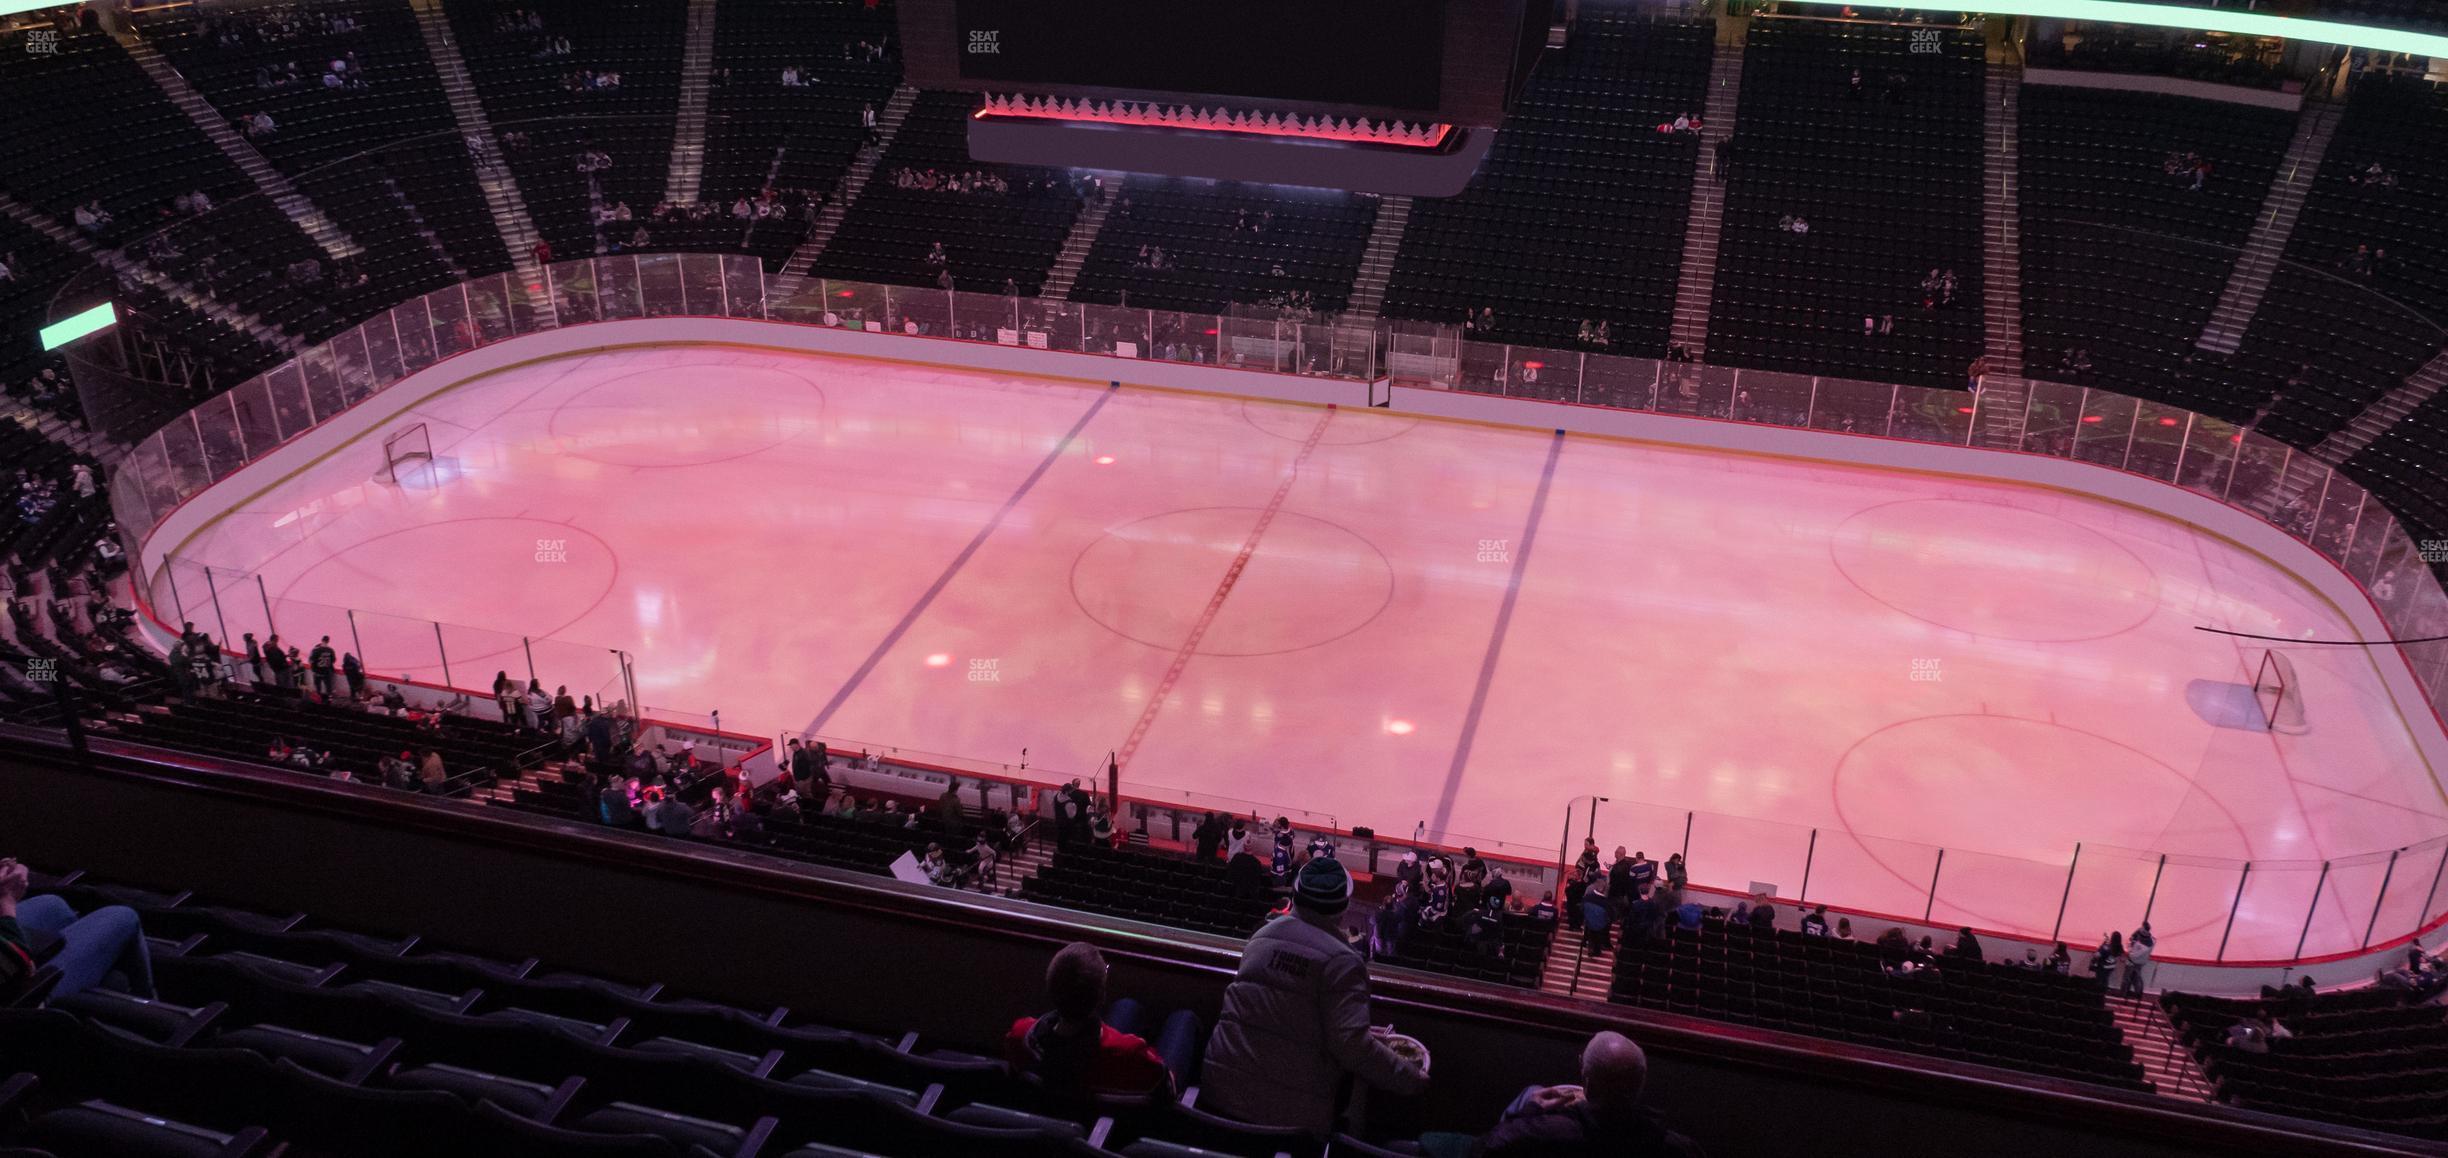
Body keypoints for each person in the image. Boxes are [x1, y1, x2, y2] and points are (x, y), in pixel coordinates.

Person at [1203, 856, 1428, 1133]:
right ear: (1343, 908)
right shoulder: (1343, 962)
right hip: (1285, 1122)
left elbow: (1288, 1015)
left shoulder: (1260, 938)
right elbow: (1352, 1048)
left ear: (1295, 897)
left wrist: (1366, 1034)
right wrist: (1410, 1078)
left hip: (1215, 1096)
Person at [1006, 942, 1198, 1099]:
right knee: (1184, 1019)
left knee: (1127, 1006)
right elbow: (1167, 1087)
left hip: (1062, 1100)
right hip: (1102, 1123)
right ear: (1101, 997)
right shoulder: (1129, 1053)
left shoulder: (1020, 1035)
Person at [1480, 1030, 1703, 1157]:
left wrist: (1532, 1109)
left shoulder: (1547, 1131)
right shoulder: (1677, 1146)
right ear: (1640, 1084)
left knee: (1532, 1092)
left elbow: (1486, 1148)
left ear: (1586, 1081)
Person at [0, 859, 156, 1003]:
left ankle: (95, 987)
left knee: (54, 906)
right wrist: (6, 902)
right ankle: (150, 1008)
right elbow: (13, 962)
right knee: (123, 916)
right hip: (18, 998)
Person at [2122, 922, 2154, 997]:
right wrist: (2133, 938)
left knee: (2127, 977)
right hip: (2140, 961)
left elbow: (2133, 955)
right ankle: (2136, 993)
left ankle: (2124, 993)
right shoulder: (2149, 939)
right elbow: (2134, 935)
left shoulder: (2143, 946)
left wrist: (2130, 947)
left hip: (2134, 961)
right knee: (2136, 977)